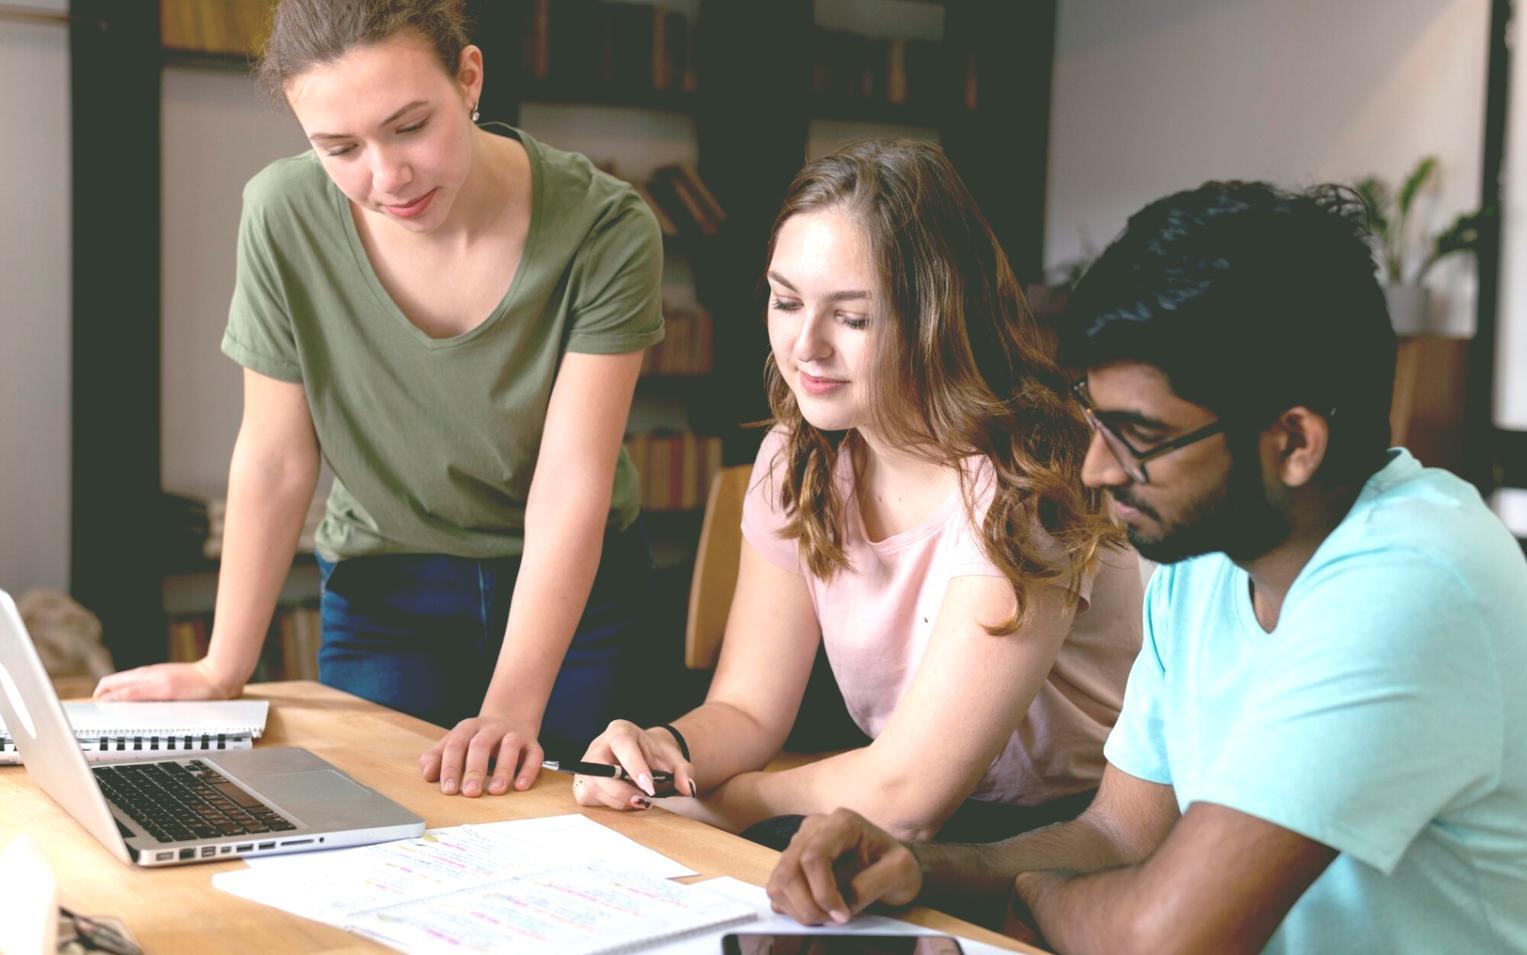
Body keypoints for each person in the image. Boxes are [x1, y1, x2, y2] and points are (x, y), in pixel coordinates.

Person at [763, 181, 1527, 954]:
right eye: (1095, 420)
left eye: (1137, 434)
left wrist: (1028, 892)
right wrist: (921, 868)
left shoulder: (1409, 581)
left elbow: (1164, 937)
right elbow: (1118, 833)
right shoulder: (1208, 556)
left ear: (1293, 441)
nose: (1095, 467)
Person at [93, 0, 664, 800]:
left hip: (576, 594)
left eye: (408, 127)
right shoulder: (282, 213)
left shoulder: (606, 228)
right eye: (340, 148)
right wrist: (223, 666)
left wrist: (508, 707)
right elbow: (276, 456)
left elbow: (572, 481)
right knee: (376, 835)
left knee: (584, 846)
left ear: (469, 78)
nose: (386, 177)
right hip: (386, 586)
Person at [573, 139, 1144, 847]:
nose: (804, 346)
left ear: (938, 316)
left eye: (850, 317)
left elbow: (909, 795)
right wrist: (664, 751)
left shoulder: (1027, 473)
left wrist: (734, 800)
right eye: (786, 301)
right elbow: (748, 708)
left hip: (1068, 830)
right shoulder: (796, 458)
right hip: (892, 805)